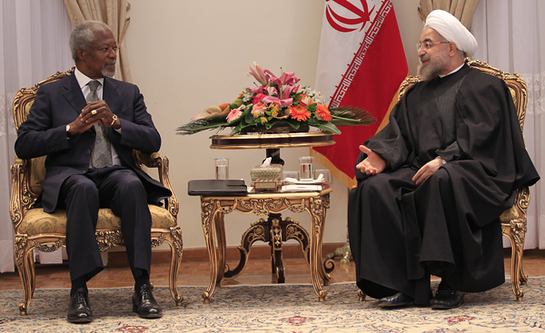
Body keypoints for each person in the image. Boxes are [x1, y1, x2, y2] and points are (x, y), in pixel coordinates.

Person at [347, 10, 539, 310]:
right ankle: (403, 285)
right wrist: (382, 157)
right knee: (375, 188)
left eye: (427, 44)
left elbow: (485, 137)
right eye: (420, 45)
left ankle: (453, 281)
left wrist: (444, 160)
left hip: (477, 173)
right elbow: (400, 136)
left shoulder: (486, 85)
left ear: (451, 48)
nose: (420, 52)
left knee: (443, 179)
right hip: (422, 169)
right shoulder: (414, 93)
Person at [15, 21, 171, 323]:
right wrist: (70, 130)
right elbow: (24, 144)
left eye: (114, 48)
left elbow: (153, 140)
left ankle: (143, 287)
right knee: (82, 188)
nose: (113, 54)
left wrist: (116, 122)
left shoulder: (127, 92)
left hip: (114, 173)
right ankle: (79, 291)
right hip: (72, 176)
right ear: (82, 54)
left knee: (130, 184)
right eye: (105, 49)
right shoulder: (50, 94)